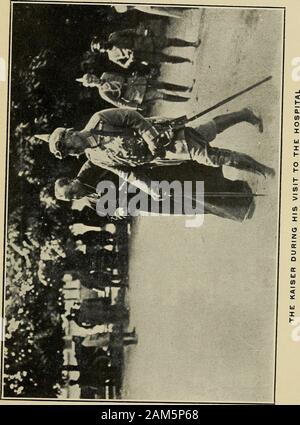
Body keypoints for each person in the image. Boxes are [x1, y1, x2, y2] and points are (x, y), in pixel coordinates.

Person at [41, 106, 274, 193]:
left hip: (165, 137)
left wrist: (151, 138)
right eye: (69, 154)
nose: (72, 153)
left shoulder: (99, 119)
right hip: (163, 156)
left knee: (212, 157)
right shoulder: (94, 156)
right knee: (207, 132)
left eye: (69, 147)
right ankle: (244, 114)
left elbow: (133, 117)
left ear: (71, 133)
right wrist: (149, 188)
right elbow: (126, 172)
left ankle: (264, 171)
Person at [90, 25, 200, 68]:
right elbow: (125, 66)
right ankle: (186, 60)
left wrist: (142, 33)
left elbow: (129, 31)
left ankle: (192, 44)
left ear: (102, 40)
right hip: (142, 56)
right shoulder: (112, 57)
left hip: (144, 42)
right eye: (101, 47)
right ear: (101, 51)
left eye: (101, 43)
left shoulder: (113, 36)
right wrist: (130, 60)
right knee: (167, 59)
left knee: (169, 41)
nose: (103, 45)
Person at [76, 72, 193, 111]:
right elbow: (119, 103)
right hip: (133, 94)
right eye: (91, 81)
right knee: (160, 95)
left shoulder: (106, 74)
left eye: (92, 76)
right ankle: (187, 99)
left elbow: (121, 75)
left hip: (136, 82)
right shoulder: (103, 92)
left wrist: (134, 76)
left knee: (160, 84)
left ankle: (186, 88)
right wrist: (135, 106)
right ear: (91, 85)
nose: (94, 79)